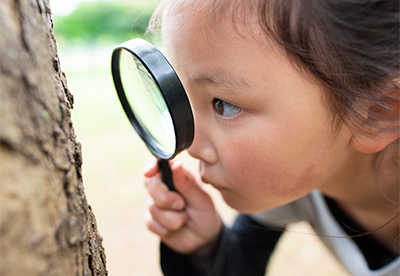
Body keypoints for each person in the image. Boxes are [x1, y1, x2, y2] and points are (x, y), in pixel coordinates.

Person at [143, 0, 400, 275]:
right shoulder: (301, 183)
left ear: (377, 114)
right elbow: (242, 261)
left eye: (224, 105)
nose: (191, 147)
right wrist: (206, 249)